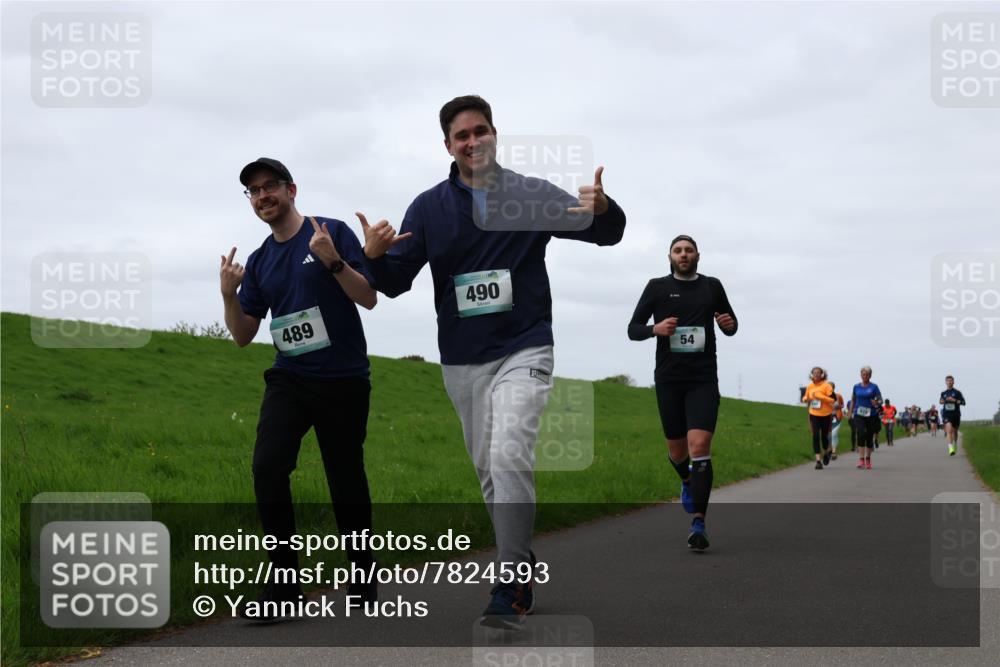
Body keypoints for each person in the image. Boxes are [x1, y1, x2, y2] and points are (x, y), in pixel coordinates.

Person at [357, 95, 627, 627]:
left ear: (495, 135)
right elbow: (391, 284)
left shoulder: (529, 193)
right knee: (488, 471)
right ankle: (521, 565)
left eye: (481, 131)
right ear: (448, 146)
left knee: (508, 456)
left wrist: (603, 206)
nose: (473, 141)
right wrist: (372, 255)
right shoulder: (429, 207)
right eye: (462, 136)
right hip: (462, 360)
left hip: (525, 345)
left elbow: (606, 233)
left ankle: (506, 583)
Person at [221, 158, 378, 621]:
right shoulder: (261, 260)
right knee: (267, 468)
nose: (262, 195)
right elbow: (243, 334)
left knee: (345, 477)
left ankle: (362, 572)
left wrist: (331, 260)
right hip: (289, 377)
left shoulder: (328, 231)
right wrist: (229, 295)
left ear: (292, 190)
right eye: (253, 190)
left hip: (343, 377)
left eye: (270, 186)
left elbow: (367, 297)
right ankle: (285, 587)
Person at [628, 235, 738, 550]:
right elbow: (633, 329)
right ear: (670, 256)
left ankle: (699, 523)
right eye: (678, 250)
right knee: (678, 452)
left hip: (703, 378)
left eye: (689, 250)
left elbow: (731, 325)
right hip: (669, 380)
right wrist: (654, 329)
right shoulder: (656, 287)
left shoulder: (712, 286)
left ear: (698, 255)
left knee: (699, 444)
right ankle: (687, 481)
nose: (684, 254)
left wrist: (727, 324)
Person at [801, 367, 836, 469]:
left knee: (824, 437)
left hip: (825, 415)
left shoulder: (826, 386)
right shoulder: (810, 386)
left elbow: (833, 400)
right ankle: (818, 461)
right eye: (814, 373)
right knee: (815, 436)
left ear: (822, 374)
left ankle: (826, 452)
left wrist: (821, 397)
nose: (816, 374)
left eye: (818, 373)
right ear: (812, 374)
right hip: (814, 414)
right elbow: (804, 398)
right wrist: (807, 398)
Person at [851, 366, 883, 470]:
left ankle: (868, 459)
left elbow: (880, 400)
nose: (865, 376)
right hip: (858, 414)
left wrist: (877, 402)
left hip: (871, 415)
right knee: (861, 433)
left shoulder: (874, 387)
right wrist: (850, 412)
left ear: (870, 375)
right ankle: (861, 459)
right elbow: (853, 399)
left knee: (869, 436)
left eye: (867, 374)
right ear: (861, 375)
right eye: (863, 374)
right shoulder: (856, 386)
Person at [940, 375, 967, 456]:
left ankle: (955, 443)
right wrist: (945, 400)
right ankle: (950, 448)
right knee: (949, 430)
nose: (949, 382)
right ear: (945, 382)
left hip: (956, 415)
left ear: (953, 382)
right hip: (946, 414)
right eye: (947, 381)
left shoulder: (958, 392)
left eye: (951, 380)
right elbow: (941, 401)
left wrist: (954, 400)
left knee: (955, 432)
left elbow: (963, 403)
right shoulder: (943, 393)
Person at [829, 382, 845, 460]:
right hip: (826, 418)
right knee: (828, 435)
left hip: (837, 417)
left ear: (833, 388)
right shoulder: (823, 396)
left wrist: (839, 406)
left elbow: (842, 405)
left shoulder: (838, 396)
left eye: (831, 387)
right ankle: (829, 450)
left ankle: (834, 452)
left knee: (834, 434)